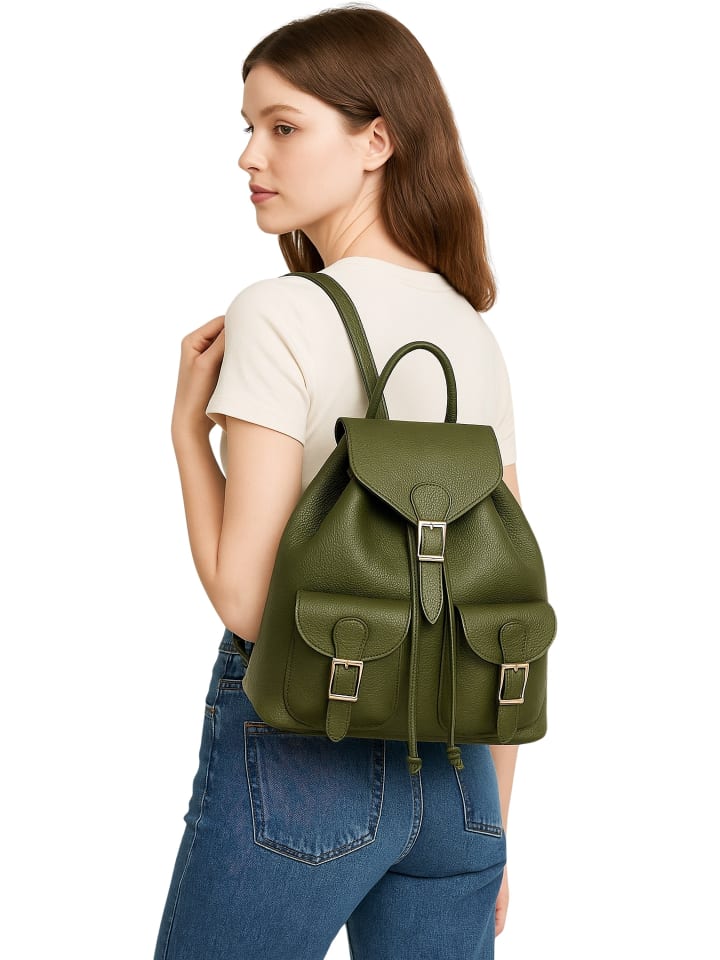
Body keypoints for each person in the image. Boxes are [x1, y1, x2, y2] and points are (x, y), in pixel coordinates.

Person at [157, 6, 522, 959]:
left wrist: (187, 436)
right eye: (249, 127)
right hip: (461, 781)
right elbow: (500, 614)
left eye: (283, 126)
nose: (250, 156)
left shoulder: (278, 313)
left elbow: (249, 603)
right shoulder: (470, 330)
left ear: (377, 141)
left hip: (304, 754)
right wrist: (495, 829)